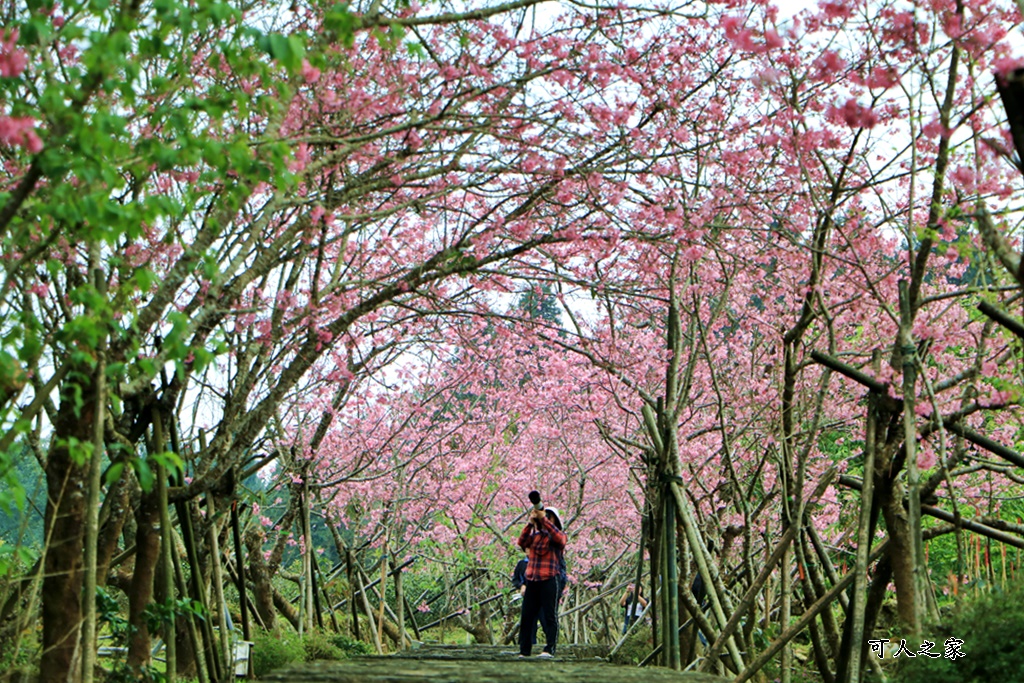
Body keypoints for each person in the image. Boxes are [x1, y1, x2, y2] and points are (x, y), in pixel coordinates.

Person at [517, 504, 567, 658]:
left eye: (549, 516)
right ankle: (524, 650)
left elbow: (561, 540)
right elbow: (521, 542)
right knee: (527, 616)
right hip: (532, 579)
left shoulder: (558, 536)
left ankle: (550, 648)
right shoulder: (535, 536)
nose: (544, 519)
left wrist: (544, 520)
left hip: (550, 578)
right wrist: (530, 523)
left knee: (550, 615)